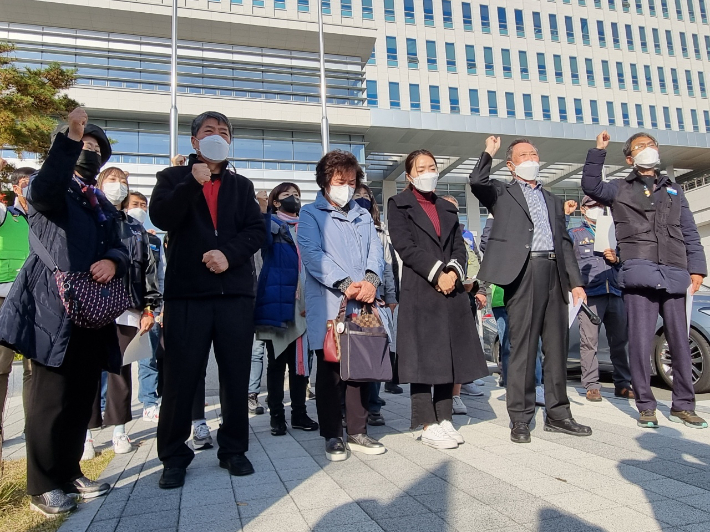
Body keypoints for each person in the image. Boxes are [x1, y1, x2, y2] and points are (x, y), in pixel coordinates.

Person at [0, 108, 129, 515]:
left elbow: (123, 244)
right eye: (82, 144)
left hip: (92, 308)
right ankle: (41, 484)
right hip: (52, 306)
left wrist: (113, 260)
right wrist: (69, 139)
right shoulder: (49, 185)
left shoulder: (100, 201)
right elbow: (44, 190)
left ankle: (69, 470)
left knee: (80, 394)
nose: (89, 151)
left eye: (95, 148)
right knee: (49, 396)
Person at [150, 111, 265, 489]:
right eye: (209, 131)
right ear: (195, 141)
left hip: (233, 295)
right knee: (181, 376)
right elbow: (162, 216)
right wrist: (190, 183)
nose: (218, 136)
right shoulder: (172, 178)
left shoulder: (241, 185)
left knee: (235, 374)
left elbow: (255, 231)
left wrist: (227, 255)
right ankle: (173, 455)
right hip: (187, 295)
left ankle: (233, 449)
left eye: (224, 132)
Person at [582, 131, 707, 429]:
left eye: (651, 145)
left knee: (679, 341)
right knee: (639, 343)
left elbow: (689, 231)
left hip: (675, 274)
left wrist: (697, 269)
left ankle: (683, 405)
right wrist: (598, 151)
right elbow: (591, 185)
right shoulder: (618, 189)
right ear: (630, 158)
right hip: (639, 273)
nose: (648, 150)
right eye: (641, 147)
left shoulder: (674, 190)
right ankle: (646, 406)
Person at [470, 136, 591, 444]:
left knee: (556, 346)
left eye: (534, 154)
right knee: (523, 348)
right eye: (523, 155)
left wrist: (575, 282)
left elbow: (564, 241)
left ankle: (558, 414)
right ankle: (520, 418)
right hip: (523, 272)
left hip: (554, 273)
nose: (531, 159)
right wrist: (488, 152)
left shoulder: (551, 198)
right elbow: (476, 180)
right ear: (511, 165)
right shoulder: (502, 192)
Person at [388, 149, 488, 449]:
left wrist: (453, 273)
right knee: (422, 358)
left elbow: (459, 247)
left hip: (452, 291)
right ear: (409, 175)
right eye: (421, 168)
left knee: (449, 355)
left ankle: (445, 418)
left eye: (431, 166)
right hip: (422, 290)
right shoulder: (398, 204)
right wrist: (437, 274)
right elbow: (404, 247)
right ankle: (427, 423)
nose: (428, 172)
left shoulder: (446, 207)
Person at [298, 150, 387, 461]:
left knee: (361, 367)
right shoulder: (311, 214)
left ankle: (359, 430)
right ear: (325, 181)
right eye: (340, 180)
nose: (346, 186)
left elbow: (376, 252)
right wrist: (345, 283)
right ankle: (333, 434)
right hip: (330, 302)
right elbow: (311, 254)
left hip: (361, 302)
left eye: (351, 181)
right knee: (331, 370)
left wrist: (371, 282)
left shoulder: (363, 214)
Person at [84, 169, 160, 457]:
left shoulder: (136, 229)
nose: (118, 186)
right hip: (91, 305)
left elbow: (148, 271)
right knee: (89, 371)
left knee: (120, 370)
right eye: (111, 180)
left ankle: (118, 430)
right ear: (99, 185)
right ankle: (87, 435)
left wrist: (149, 307)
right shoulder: (87, 218)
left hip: (128, 307)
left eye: (122, 181)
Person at [254, 183, 319, 436]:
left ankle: (299, 414)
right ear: (276, 202)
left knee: (300, 363)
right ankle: (277, 417)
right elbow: (261, 240)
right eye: (287, 196)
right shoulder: (269, 223)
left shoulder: (308, 227)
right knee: (277, 362)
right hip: (278, 300)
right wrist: (261, 210)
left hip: (305, 303)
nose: (294, 199)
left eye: (297, 195)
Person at [566, 196, 634, 403]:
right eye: (592, 206)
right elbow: (566, 259)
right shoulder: (575, 233)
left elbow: (629, 262)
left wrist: (618, 258)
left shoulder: (614, 232)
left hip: (615, 291)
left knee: (620, 341)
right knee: (590, 342)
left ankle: (622, 384)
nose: (597, 209)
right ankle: (592, 385)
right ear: (584, 210)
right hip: (591, 294)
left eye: (600, 206)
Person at [481, 215, 544, 404]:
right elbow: (486, 245)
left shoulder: (528, 235)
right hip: (503, 299)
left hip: (529, 294)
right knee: (508, 346)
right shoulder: (499, 237)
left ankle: (537, 385)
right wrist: (493, 218)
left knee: (535, 343)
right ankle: (511, 387)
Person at [352, 184, 397, 426]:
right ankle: (347, 406)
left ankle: (373, 405)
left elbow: (387, 267)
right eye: (356, 195)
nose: (361, 199)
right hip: (348, 300)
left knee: (375, 352)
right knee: (349, 353)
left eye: (365, 196)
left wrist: (390, 297)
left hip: (374, 302)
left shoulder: (380, 231)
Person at [439, 194, 488, 416]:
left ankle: (458, 392)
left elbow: (477, 262)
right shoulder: (435, 235)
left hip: (464, 295)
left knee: (461, 345)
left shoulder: (466, 236)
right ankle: (440, 392)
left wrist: (479, 288)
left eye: (455, 209)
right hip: (440, 296)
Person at [0, 166, 34, 445]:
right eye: (25, 183)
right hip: (5, 296)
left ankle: (33, 428)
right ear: (15, 188)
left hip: (36, 299)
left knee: (35, 370)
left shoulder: (41, 217)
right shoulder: (5, 215)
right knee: (1, 365)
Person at [127, 191, 165, 424]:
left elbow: (159, 275)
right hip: (120, 307)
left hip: (148, 308)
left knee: (148, 357)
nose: (140, 208)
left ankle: (149, 403)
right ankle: (101, 405)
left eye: (143, 205)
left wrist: (158, 307)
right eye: (135, 204)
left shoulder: (153, 240)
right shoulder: (115, 231)